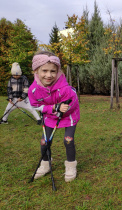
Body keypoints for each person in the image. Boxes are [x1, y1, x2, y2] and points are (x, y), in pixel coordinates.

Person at [28, 51, 80, 182]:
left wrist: (63, 108)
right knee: (44, 142)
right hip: (50, 116)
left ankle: (71, 165)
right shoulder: (33, 89)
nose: (48, 75)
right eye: (44, 71)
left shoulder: (64, 88)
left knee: (68, 140)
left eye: (53, 71)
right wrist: (52, 108)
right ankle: (45, 164)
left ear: (58, 71)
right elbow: (35, 105)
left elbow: (72, 102)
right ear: (36, 70)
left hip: (68, 116)